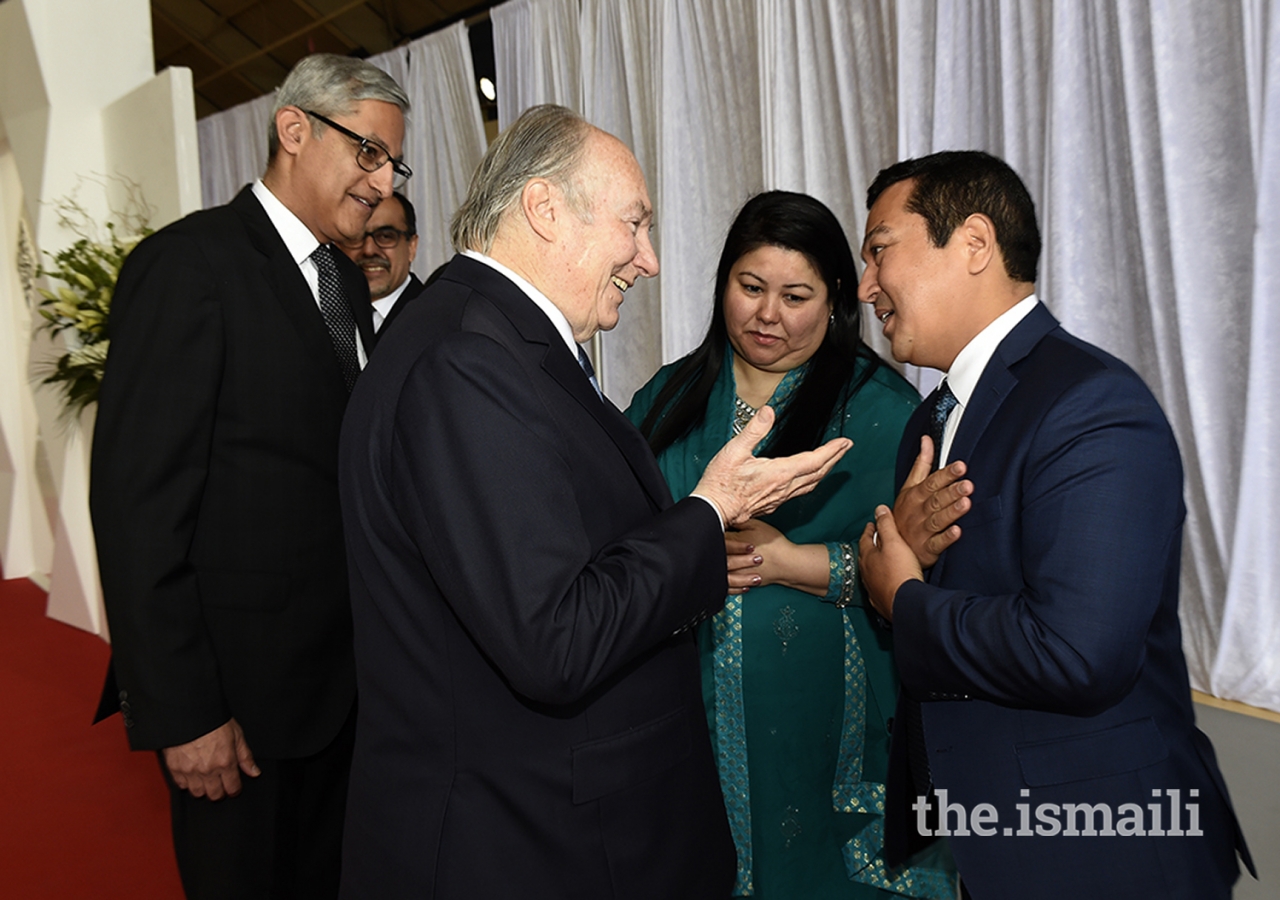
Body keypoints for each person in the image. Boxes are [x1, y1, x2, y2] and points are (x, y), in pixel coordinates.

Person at [336, 105, 852, 899]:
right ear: (544, 209)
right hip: (531, 839)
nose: (647, 259)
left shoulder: (499, 339)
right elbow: (556, 638)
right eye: (634, 224)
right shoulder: (467, 360)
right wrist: (708, 511)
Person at [854, 150, 1254, 899]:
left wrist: (902, 598)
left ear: (974, 243)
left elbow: (1077, 652)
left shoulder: (1092, 405)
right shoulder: (927, 424)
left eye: (880, 250)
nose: (867, 285)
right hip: (990, 843)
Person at [89, 54, 409, 899]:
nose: (381, 182)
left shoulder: (342, 279)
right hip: (237, 715)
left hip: (345, 702)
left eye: (393, 163)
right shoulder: (189, 267)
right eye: (368, 153)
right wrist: (184, 711)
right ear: (294, 130)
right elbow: (137, 511)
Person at [626, 191, 954, 899]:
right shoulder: (665, 400)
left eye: (795, 295)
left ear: (837, 300)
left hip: (831, 741)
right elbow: (617, 550)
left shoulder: (884, 414)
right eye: (749, 288)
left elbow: (928, 578)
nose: (767, 314)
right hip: (689, 732)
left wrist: (792, 562)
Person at [339, 189, 423, 332]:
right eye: (355, 237)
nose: (369, 250)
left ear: (411, 247)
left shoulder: (437, 319)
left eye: (385, 236)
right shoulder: (324, 312)